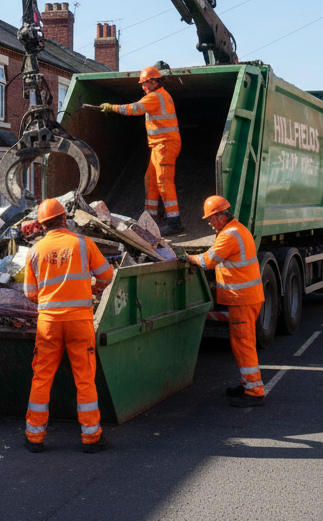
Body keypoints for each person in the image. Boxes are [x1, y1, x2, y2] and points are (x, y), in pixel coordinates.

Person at [22, 198, 115, 454]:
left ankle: (34, 437)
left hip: (48, 323)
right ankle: (91, 437)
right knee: (85, 379)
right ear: (64, 219)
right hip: (79, 321)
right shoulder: (83, 244)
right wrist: (89, 287)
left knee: (41, 378)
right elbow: (107, 277)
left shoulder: (35, 251)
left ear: (41, 226)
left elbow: (30, 293)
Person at [187, 195, 265, 408]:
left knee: (244, 344)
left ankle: (255, 391)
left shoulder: (229, 235)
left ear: (222, 215)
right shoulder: (237, 229)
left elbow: (208, 261)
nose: (210, 223)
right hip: (247, 298)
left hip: (243, 300)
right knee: (242, 343)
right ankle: (247, 383)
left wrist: (187, 257)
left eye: (211, 218)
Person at [93, 65, 184, 236]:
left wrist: (111, 107)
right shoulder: (160, 96)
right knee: (151, 179)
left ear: (154, 82)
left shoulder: (156, 96)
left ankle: (174, 221)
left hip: (165, 144)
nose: (143, 87)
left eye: (144, 83)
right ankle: (150, 219)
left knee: (163, 180)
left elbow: (135, 109)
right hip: (160, 145)